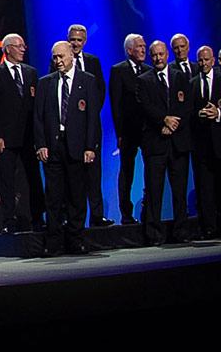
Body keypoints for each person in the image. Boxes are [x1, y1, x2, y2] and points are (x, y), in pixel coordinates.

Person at [35, 41, 102, 256]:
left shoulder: (87, 81)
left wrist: (90, 147)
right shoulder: (45, 83)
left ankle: (76, 240)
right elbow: (38, 118)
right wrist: (41, 144)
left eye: (61, 57)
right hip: (53, 147)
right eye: (55, 57)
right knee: (53, 197)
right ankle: (53, 242)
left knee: (76, 196)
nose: (58, 61)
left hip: (77, 147)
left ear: (72, 55)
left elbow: (93, 118)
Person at [0, 33, 43, 234]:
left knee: (34, 179)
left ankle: (38, 218)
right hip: (5, 139)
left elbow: (37, 106)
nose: (23, 49)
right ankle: (9, 221)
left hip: (29, 137)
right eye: (19, 46)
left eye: (24, 45)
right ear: (8, 49)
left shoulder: (31, 72)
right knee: (7, 181)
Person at [53, 24, 112, 226]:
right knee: (70, 176)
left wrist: (91, 114)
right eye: (72, 40)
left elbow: (100, 90)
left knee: (94, 173)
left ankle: (97, 215)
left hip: (90, 126)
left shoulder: (93, 62)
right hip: (67, 131)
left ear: (85, 41)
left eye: (79, 40)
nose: (75, 44)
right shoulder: (57, 62)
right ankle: (68, 217)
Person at [135, 40, 193, 245]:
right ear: (151, 57)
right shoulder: (144, 80)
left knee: (179, 191)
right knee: (154, 190)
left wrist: (173, 123)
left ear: (167, 55)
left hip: (178, 143)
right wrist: (163, 120)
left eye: (161, 54)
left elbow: (187, 105)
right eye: (154, 56)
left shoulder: (180, 76)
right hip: (156, 143)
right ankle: (153, 234)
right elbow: (145, 106)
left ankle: (181, 232)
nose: (158, 59)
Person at [108, 34, 148, 224]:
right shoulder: (118, 71)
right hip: (128, 131)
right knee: (127, 171)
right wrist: (120, 134)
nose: (143, 49)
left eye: (144, 46)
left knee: (152, 170)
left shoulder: (149, 70)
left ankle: (149, 208)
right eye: (139, 46)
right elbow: (116, 105)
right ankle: (126, 212)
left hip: (148, 130)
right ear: (129, 50)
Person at [188, 45, 219, 238]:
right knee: (205, 188)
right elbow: (187, 112)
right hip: (201, 145)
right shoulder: (191, 83)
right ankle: (209, 227)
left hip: (219, 141)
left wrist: (218, 113)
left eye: (207, 60)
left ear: (213, 61)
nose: (203, 64)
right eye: (200, 60)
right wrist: (199, 114)